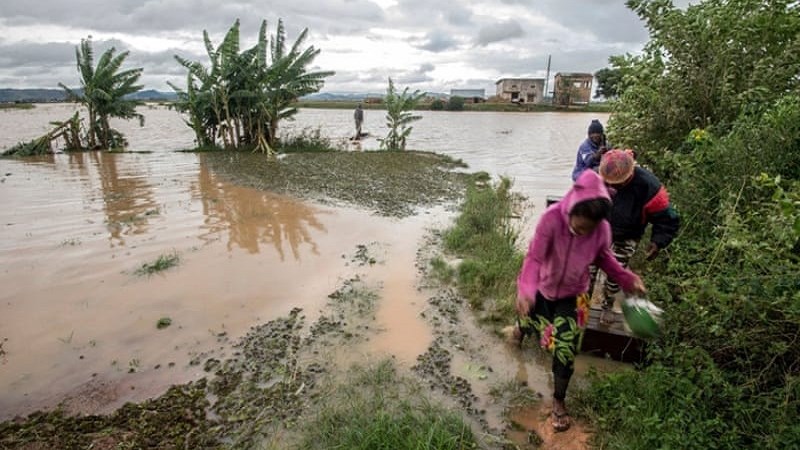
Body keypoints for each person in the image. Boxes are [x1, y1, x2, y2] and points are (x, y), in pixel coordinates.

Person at [516, 170, 646, 432]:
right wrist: (526, 289)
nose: (581, 231)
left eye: (588, 228)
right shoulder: (551, 220)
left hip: (574, 294)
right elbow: (534, 258)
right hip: (542, 286)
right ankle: (519, 332)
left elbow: (604, 258)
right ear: (571, 208)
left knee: (565, 348)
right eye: (578, 224)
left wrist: (626, 278)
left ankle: (559, 401)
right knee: (527, 317)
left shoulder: (601, 231)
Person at [592, 149, 680, 324]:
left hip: (628, 233)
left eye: (617, 184)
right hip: (598, 229)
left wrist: (658, 242)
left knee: (615, 272)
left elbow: (666, 218)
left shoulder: (649, 187)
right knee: (587, 270)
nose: (613, 187)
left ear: (629, 175)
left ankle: (607, 305)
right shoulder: (597, 177)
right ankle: (580, 305)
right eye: (610, 184)